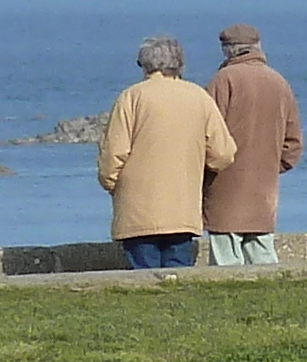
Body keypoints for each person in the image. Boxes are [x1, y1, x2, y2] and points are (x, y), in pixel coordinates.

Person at [95, 35, 236, 270]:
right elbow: (223, 153)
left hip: (137, 207)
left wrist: (111, 184)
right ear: (179, 62)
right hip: (182, 205)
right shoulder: (199, 97)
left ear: (145, 64)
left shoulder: (131, 97)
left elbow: (114, 154)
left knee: (143, 277)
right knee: (178, 276)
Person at [200, 22, 304, 264]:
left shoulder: (223, 80)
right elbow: (293, 144)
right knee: (263, 254)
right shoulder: (279, 82)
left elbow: (205, 134)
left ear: (228, 50)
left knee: (225, 255)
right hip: (264, 188)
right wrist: (269, 166)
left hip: (223, 184)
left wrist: (207, 168)